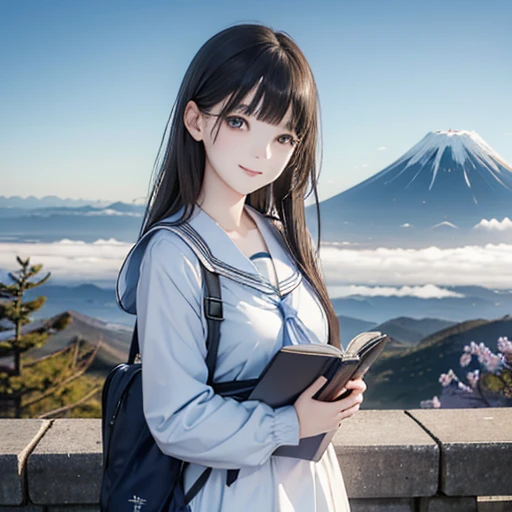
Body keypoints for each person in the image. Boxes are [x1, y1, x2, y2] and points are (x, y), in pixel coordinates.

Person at [116, 23, 366, 512]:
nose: (263, 153)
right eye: (239, 122)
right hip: (231, 496)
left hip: (312, 488)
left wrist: (336, 392)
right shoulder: (174, 253)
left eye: (284, 136)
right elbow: (174, 419)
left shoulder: (284, 236)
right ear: (194, 120)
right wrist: (290, 425)